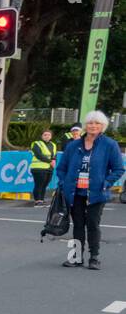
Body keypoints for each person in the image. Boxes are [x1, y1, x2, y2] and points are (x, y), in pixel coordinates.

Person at [55, 110, 124, 270]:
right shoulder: (73, 145)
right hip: (75, 193)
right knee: (78, 225)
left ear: (103, 126)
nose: (93, 126)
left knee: (93, 224)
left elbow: (118, 169)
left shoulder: (110, 145)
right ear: (86, 125)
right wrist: (65, 183)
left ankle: (94, 257)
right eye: (90, 123)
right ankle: (76, 257)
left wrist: (106, 183)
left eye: (97, 123)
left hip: (97, 193)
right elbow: (61, 168)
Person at [29, 128, 56, 204]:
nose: (47, 136)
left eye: (49, 135)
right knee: (39, 184)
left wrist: (53, 160)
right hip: (38, 168)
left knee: (45, 184)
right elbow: (38, 155)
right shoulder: (36, 144)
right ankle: (37, 200)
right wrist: (50, 161)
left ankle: (42, 199)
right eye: (45, 135)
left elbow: (54, 155)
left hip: (49, 168)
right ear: (42, 136)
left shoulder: (53, 145)